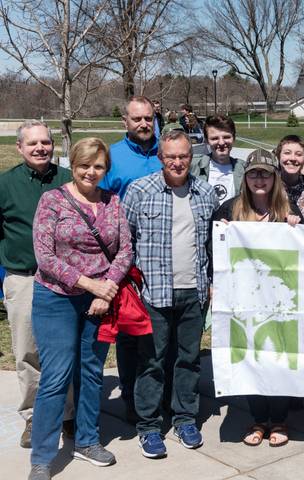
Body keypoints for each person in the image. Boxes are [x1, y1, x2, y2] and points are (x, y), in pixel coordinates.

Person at [29, 138, 133, 479]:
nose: (91, 172)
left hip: (99, 302)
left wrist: (107, 291)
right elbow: (45, 258)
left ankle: (88, 440)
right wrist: (91, 285)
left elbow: (125, 252)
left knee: (90, 373)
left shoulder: (113, 202)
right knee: (56, 377)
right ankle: (43, 457)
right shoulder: (52, 201)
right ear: (72, 165)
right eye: (84, 165)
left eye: (98, 166)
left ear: (106, 169)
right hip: (55, 299)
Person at [122, 130, 218, 458]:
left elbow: (211, 245)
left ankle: (185, 418)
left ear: (192, 157)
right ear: (160, 158)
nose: (177, 162)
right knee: (151, 361)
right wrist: (132, 285)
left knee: (188, 360)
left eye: (183, 156)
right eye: (171, 157)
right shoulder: (139, 191)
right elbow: (125, 242)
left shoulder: (205, 194)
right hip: (153, 293)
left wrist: (211, 283)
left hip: (194, 292)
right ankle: (148, 425)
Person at [214, 148, 299, 447]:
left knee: (278, 357)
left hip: (280, 301)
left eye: (265, 173)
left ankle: (279, 419)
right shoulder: (229, 210)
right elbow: (215, 256)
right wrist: (222, 235)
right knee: (250, 356)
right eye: (253, 173)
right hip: (243, 300)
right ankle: (258, 419)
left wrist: (297, 229)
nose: (259, 178)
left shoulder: (287, 212)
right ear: (245, 177)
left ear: (275, 177)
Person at [0, 120, 74, 450]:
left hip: (65, 280)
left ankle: (68, 414)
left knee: (64, 349)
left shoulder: (67, 181)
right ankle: (34, 415)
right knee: (27, 351)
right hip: (24, 277)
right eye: (33, 144)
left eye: (45, 142)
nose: (41, 148)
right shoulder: (5, 184)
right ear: (20, 147)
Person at [100, 95, 162, 424]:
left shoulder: (166, 151)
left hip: (163, 256)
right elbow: (99, 204)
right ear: (125, 121)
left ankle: (156, 394)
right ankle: (129, 395)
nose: (143, 124)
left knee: (159, 333)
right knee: (129, 334)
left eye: (148, 118)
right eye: (137, 119)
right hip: (126, 259)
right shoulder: (112, 157)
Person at [191, 114, 246, 204]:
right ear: (206, 141)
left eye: (226, 137)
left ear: (234, 138)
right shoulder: (193, 166)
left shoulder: (245, 169)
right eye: (214, 138)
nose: (221, 142)